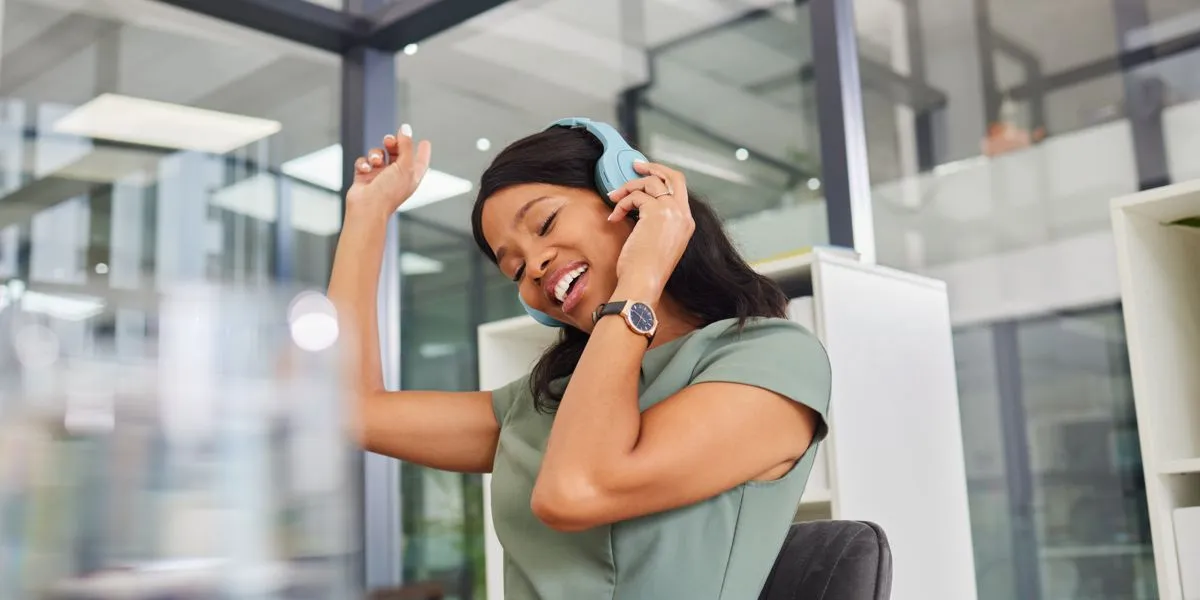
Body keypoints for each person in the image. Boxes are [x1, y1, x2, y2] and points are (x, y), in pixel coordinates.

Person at [327, 120, 831, 600]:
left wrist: (643, 276)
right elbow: (349, 410)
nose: (534, 265)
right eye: (515, 269)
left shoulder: (772, 359)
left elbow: (576, 490)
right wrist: (368, 214)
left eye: (545, 223)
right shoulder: (544, 401)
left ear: (628, 193)